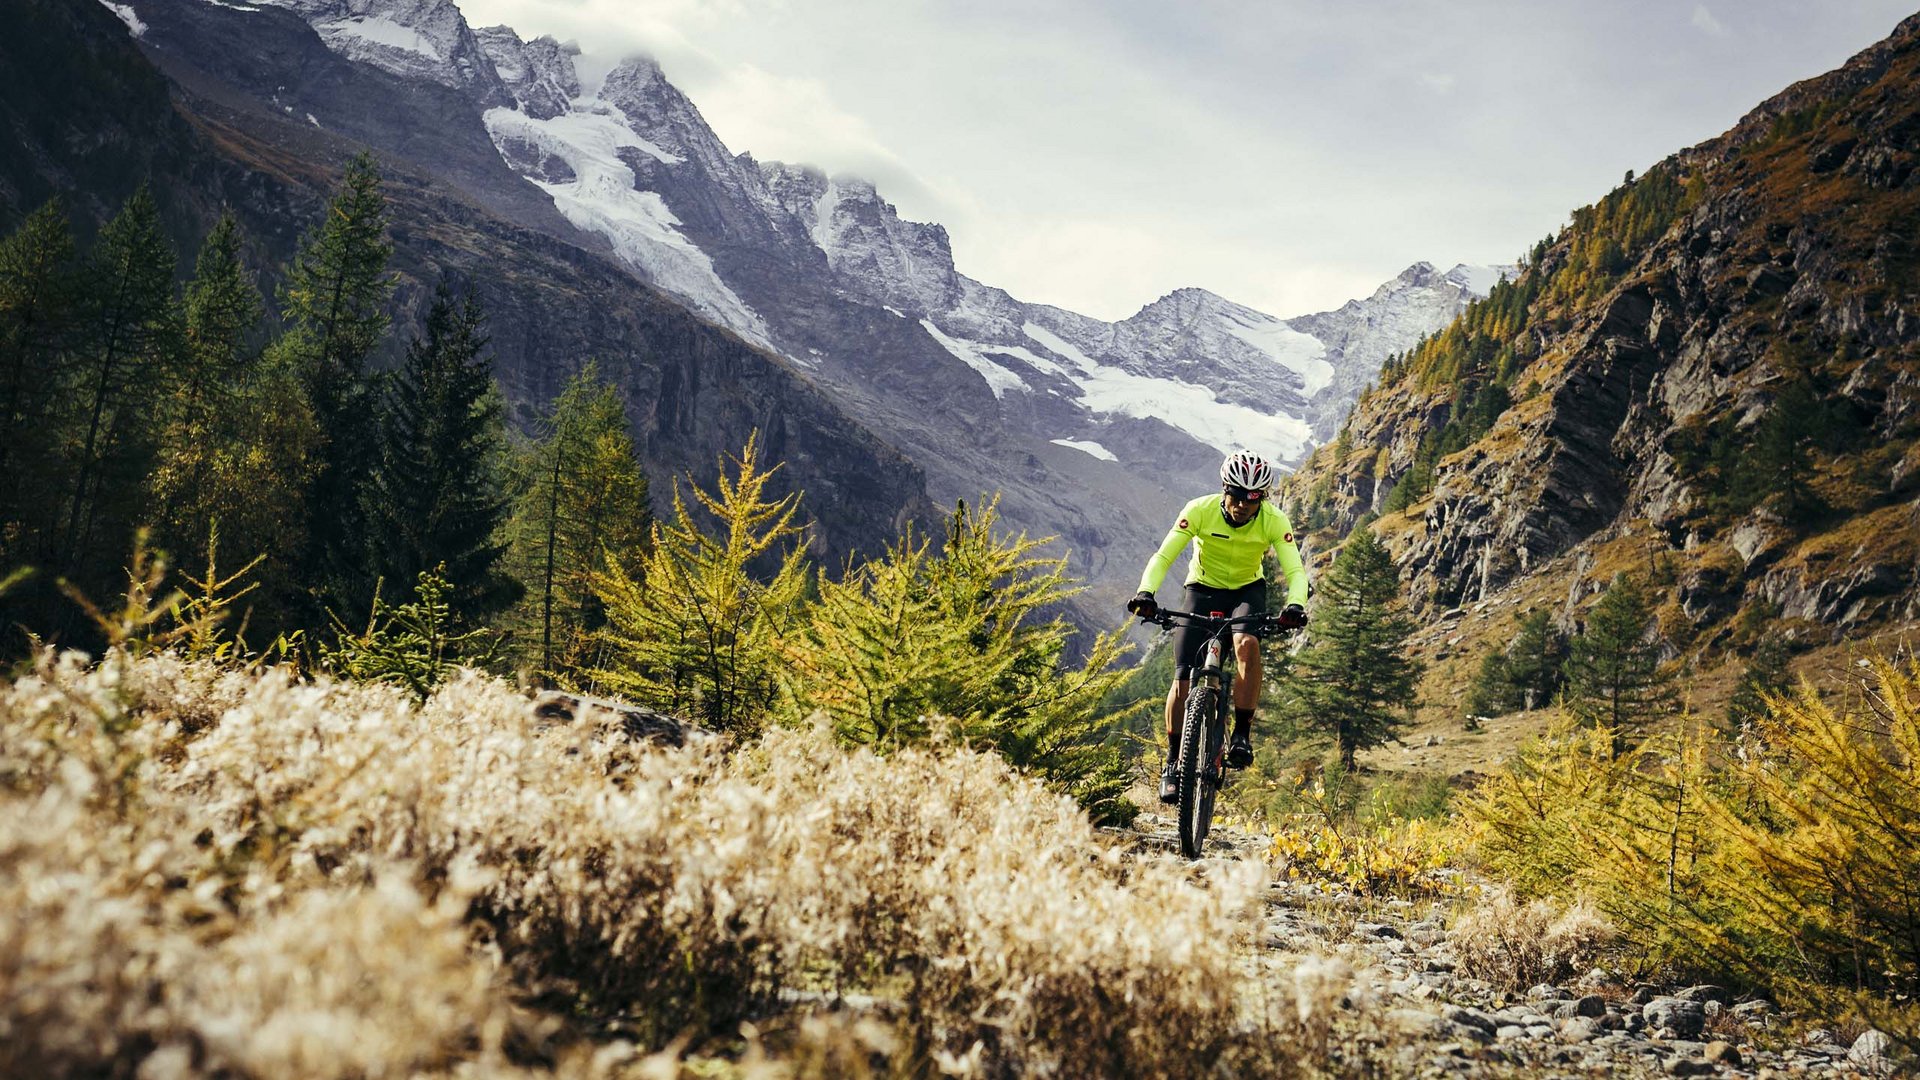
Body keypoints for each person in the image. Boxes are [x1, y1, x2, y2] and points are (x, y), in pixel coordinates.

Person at [1127, 450, 1309, 805]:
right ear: (1225, 489)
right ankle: (1172, 764)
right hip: (1202, 590)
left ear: (1263, 498)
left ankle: (1241, 734)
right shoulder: (1199, 510)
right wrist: (1145, 592)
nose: (1243, 505)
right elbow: (1164, 556)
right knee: (1182, 679)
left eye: (1252, 499)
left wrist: (1295, 605)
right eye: (1237, 496)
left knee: (1246, 645)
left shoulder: (1273, 520)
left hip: (1246, 591)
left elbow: (1295, 571)